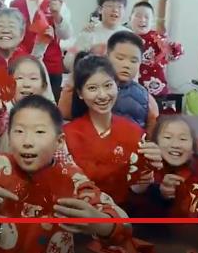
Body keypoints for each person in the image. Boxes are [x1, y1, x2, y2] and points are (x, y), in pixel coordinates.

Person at [0, 95, 132, 253]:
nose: (27, 141)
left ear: (59, 142)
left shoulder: (71, 178)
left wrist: (98, 223)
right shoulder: (0, 167)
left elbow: (123, 227)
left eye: (39, 132)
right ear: (9, 136)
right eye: (19, 131)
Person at [63, 55, 162, 210]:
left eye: (108, 85)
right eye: (92, 88)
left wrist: (149, 172)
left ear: (117, 85)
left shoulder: (134, 132)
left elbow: (138, 189)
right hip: (80, 214)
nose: (103, 95)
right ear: (80, 93)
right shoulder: (67, 136)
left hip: (125, 214)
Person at [9, 0, 72, 100]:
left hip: (50, 64)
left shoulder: (57, 3)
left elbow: (66, 35)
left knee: (48, 105)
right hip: (21, 63)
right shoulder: (15, 4)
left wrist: (57, 14)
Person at [145, 115, 198, 217]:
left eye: (183, 139)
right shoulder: (148, 173)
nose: (175, 145)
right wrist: (160, 195)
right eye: (167, 137)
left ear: (193, 148)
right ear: (156, 144)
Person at [0, 55, 57, 153]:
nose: (26, 84)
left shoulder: (50, 116)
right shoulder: (3, 110)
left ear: (44, 86)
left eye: (33, 78)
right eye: (20, 78)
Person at [106, 31, 160, 135]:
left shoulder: (146, 98)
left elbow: (151, 134)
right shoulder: (91, 89)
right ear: (107, 57)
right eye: (120, 58)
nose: (127, 65)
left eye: (133, 61)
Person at [63, 0, 130, 72]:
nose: (115, 10)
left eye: (120, 7)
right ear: (100, 9)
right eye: (110, 6)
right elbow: (68, 61)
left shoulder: (129, 36)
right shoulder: (89, 32)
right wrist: (89, 57)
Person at [129, 1, 183, 96]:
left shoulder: (157, 38)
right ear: (130, 19)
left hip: (156, 91)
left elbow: (174, 54)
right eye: (138, 16)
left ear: (152, 21)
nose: (142, 20)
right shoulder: (124, 38)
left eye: (147, 17)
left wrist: (173, 48)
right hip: (132, 90)